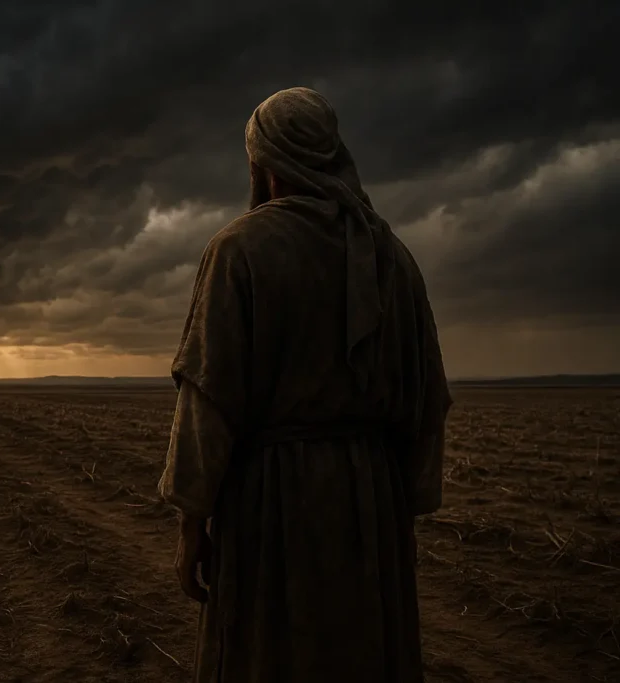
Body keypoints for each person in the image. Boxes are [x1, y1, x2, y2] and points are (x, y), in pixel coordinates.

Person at [157, 87, 452, 682]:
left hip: (273, 504)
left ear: (262, 164)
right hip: (372, 503)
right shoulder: (393, 257)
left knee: (266, 654)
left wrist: (192, 521)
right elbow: (428, 401)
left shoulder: (238, 249)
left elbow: (207, 398)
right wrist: (401, 507)